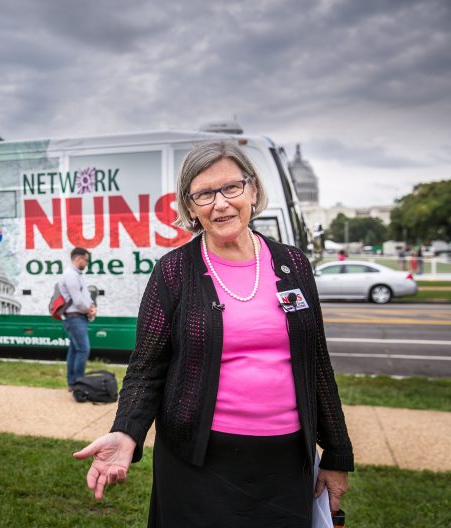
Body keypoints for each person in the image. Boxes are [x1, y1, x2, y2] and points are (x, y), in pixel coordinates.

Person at [74, 141, 353, 527]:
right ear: (190, 207)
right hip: (199, 466)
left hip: (287, 464)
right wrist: (126, 432)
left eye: (231, 188)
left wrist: (338, 455)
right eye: (204, 193)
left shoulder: (293, 264)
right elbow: (146, 368)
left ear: (252, 191)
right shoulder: (173, 272)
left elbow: (317, 364)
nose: (220, 203)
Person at [58, 247, 97, 391]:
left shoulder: (77, 274)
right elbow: (78, 301)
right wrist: (89, 310)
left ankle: (72, 383)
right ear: (78, 258)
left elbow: (85, 296)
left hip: (78, 317)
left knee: (75, 351)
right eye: (86, 260)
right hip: (74, 317)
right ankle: (78, 384)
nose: (87, 263)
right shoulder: (71, 275)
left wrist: (92, 306)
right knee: (83, 350)